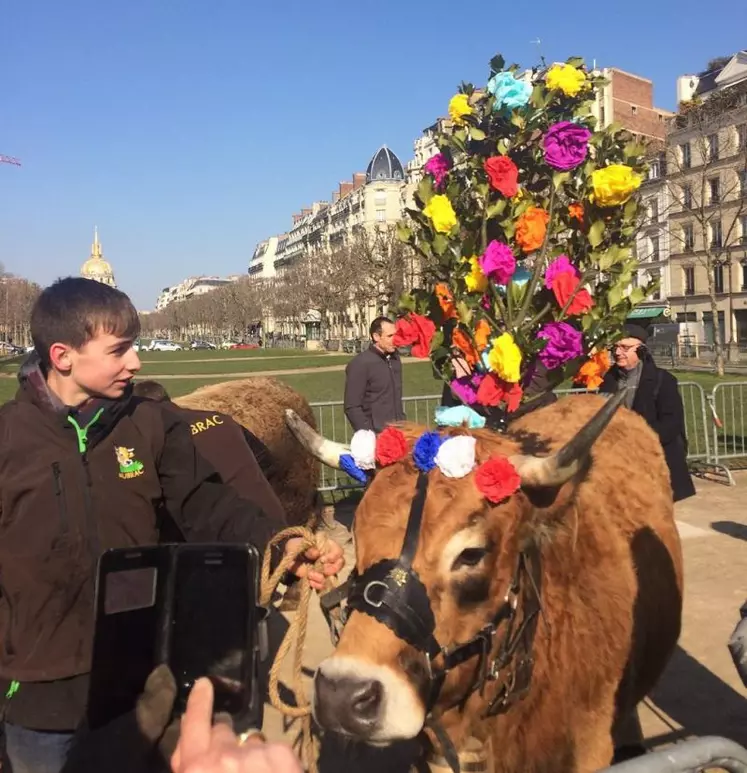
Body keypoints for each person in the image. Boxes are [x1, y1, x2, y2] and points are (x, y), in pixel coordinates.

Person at [0, 278, 343, 773]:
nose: (135, 362)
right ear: (63, 355)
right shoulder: (8, 438)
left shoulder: (150, 424)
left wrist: (282, 543)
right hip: (37, 700)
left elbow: (210, 503)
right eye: (118, 350)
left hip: (144, 686)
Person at [131, 380, 286, 534]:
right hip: (272, 524)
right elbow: (268, 462)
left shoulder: (160, 436)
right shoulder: (221, 418)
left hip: (231, 533)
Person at [599, 323, 696, 502]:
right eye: (615, 347)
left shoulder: (663, 380)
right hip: (617, 464)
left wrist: (638, 439)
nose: (618, 352)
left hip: (654, 463)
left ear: (641, 350)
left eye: (625, 347)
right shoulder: (606, 381)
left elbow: (671, 424)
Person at [343, 317, 405, 433]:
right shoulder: (360, 363)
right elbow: (352, 407)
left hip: (398, 433)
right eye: (390, 336)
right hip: (375, 436)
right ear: (376, 337)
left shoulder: (395, 359)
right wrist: (369, 434)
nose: (395, 340)